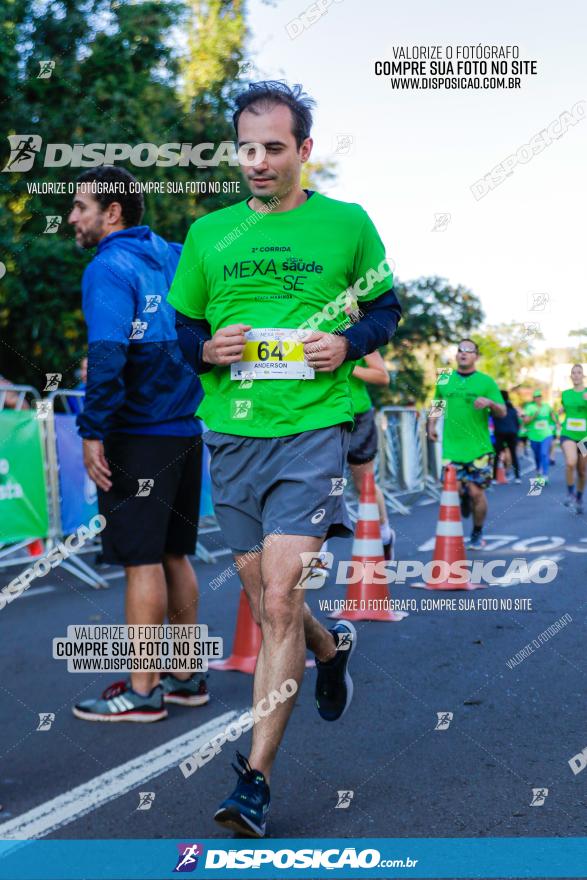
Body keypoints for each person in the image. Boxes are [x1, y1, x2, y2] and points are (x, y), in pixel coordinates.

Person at [168, 80, 402, 837]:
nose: (258, 161)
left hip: (312, 431)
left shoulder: (347, 224)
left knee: (275, 603)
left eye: (274, 147)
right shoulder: (210, 234)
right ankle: (330, 647)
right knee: (266, 596)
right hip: (232, 433)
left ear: (303, 150)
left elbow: (388, 310)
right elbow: (182, 330)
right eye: (247, 148)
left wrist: (351, 341)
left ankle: (255, 780)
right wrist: (204, 349)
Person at [68, 165, 207, 722]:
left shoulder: (108, 266)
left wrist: (92, 429)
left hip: (139, 433)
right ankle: (185, 675)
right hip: (184, 429)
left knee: (142, 561)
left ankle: (144, 690)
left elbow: (106, 357)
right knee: (175, 554)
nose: (72, 217)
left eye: (80, 206)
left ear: (112, 213)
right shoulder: (173, 254)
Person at [427, 339, 506, 549]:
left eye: (469, 351)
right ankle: (462, 500)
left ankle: (477, 533)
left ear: (476, 357)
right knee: (453, 492)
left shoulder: (486, 382)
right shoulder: (444, 378)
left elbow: (502, 411)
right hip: (451, 449)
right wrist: (431, 425)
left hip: (479, 448)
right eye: (460, 350)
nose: (463, 353)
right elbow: (437, 403)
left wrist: (489, 403)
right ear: (456, 355)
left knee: (476, 492)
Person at [347, 351, 394, 558]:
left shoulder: (359, 331)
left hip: (357, 415)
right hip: (319, 415)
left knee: (363, 484)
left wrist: (348, 366)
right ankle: (318, 557)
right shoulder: (308, 328)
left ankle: (384, 534)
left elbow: (382, 377)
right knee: (322, 485)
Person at [559, 364, 587, 514]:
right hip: (568, 434)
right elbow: (565, 408)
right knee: (571, 462)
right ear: (571, 376)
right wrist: (560, 411)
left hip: (585, 438)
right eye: (573, 373)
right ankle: (570, 493)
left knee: (582, 471)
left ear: (583, 376)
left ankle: (579, 497)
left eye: (579, 373)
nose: (576, 375)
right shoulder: (565, 394)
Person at [523, 390, 557, 484]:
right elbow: (525, 421)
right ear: (534, 398)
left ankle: (545, 475)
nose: (538, 398)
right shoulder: (529, 407)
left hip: (546, 434)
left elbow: (553, 416)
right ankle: (539, 471)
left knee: (544, 454)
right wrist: (534, 416)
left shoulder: (547, 406)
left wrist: (557, 424)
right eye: (536, 397)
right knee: (537, 456)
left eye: (540, 396)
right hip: (534, 436)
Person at [492, 390, 521, 483]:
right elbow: (517, 423)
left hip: (500, 433)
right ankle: (517, 477)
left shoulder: (497, 407)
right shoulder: (512, 409)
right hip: (512, 433)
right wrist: (516, 431)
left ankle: (494, 478)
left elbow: (491, 418)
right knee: (513, 455)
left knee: (497, 456)